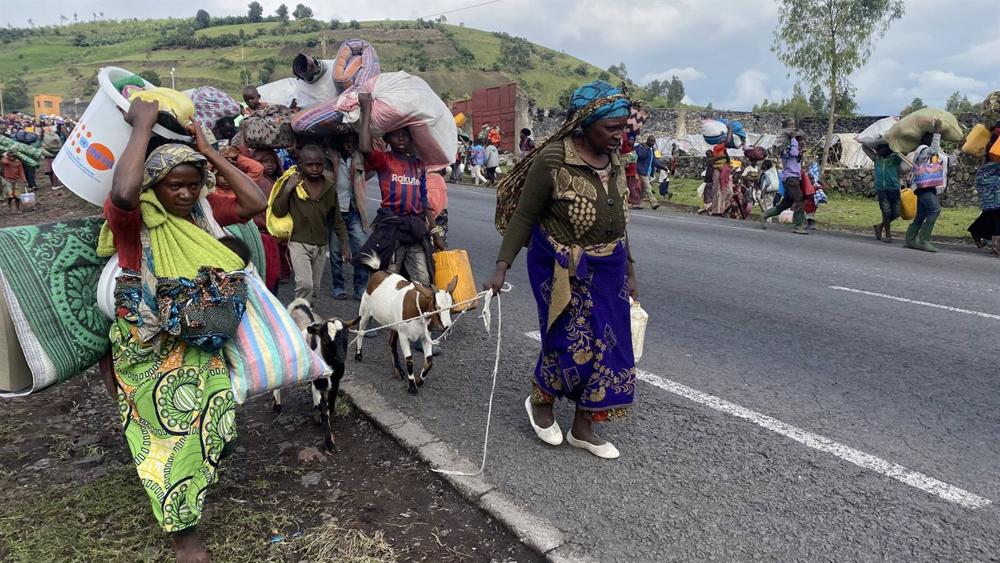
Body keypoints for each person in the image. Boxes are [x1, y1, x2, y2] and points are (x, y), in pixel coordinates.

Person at [100, 98, 267, 563]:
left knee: (216, 423)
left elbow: (256, 202)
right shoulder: (135, 220)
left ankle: (192, 488)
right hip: (147, 345)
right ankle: (185, 538)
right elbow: (125, 191)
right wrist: (144, 126)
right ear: (157, 184)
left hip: (198, 337)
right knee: (167, 440)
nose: (185, 194)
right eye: (176, 185)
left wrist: (207, 152)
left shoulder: (203, 217)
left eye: (193, 186)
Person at [485, 80, 638, 460]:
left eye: (623, 127)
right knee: (569, 342)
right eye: (612, 128)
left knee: (611, 345)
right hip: (557, 266)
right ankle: (541, 401)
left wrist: (631, 270)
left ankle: (584, 427)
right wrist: (501, 268)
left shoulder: (613, 160)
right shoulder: (552, 159)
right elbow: (524, 217)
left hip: (609, 266)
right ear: (585, 123)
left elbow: (619, 221)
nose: (620, 136)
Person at [357, 92, 446, 286]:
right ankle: (375, 313)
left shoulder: (419, 165)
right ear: (387, 138)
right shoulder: (385, 160)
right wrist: (365, 111)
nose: (401, 138)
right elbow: (364, 148)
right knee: (387, 281)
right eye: (396, 135)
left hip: (415, 229)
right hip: (392, 230)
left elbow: (424, 202)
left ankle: (416, 315)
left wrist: (435, 233)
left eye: (405, 134)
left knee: (423, 279)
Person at [271, 144, 351, 302]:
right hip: (298, 242)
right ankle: (298, 314)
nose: (314, 168)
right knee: (304, 284)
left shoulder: (329, 187)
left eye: (318, 164)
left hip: (320, 245)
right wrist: (288, 189)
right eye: (309, 165)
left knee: (314, 288)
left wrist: (345, 242)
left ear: (323, 164)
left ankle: (307, 318)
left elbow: (336, 219)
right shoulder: (294, 184)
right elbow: (278, 211)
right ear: (300, 164)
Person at [327, 133, 371, 300]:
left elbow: (374, 147)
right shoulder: (330, 156)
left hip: (353, 211)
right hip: (335, 212)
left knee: (361, 249)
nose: (350, 145)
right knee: (336, 252)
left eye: (353, 142)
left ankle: (360, 288)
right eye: (346, 141)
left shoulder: (358, 158)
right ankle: (338, 286)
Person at [760, 120, 806, 234]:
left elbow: (797, 154)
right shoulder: (785, 149)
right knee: (799, 200)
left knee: (785, 204)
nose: (794, 128)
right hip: (790, 179)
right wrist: (794, 139)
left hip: (793, 178)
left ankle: (766, 214)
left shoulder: (791, 146)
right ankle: (798, 226)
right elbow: (794, 153)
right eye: (792, 126)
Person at [904, 119, 943, 252]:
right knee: (935, 210)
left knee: (921, 214)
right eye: (933, 138)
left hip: (926, 187)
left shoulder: (925, 152)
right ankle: (923, 240)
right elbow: (934, 149)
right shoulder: (923, 150)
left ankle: (910, 239)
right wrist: (937, 131)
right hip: (924, 188)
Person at [967, 112, 1000, 255]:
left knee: (993, 210)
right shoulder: (997, 134)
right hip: (991, 176)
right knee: (997, 210)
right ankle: (996, 242)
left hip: (989, 175)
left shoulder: (993, 133)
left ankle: (979, 232)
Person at [869, 144, 909, 243]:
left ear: (889, 150)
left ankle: (880, 226)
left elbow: (905, 151)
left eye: (883, 149)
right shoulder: (876, 159)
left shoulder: (895, 158)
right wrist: (861, 140)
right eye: (879, 149)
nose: (880, 151)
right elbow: (865, 148)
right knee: (886, 212)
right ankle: (888, 234)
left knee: (897, 212)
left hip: (894, 188)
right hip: (881, 189)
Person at [635, 135, 668, 210]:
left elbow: (655, 162)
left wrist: (664, 167)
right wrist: (646, 149)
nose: (652, 143)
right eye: (651, 141)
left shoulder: (652, 150)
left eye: (653, 142)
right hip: (641, 171)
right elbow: (640, 156)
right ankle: (654, 203)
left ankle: (639, 203)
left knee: (643, 189)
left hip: (648, 172)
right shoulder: (641, 147)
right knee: (647, 187)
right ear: (647, 140)